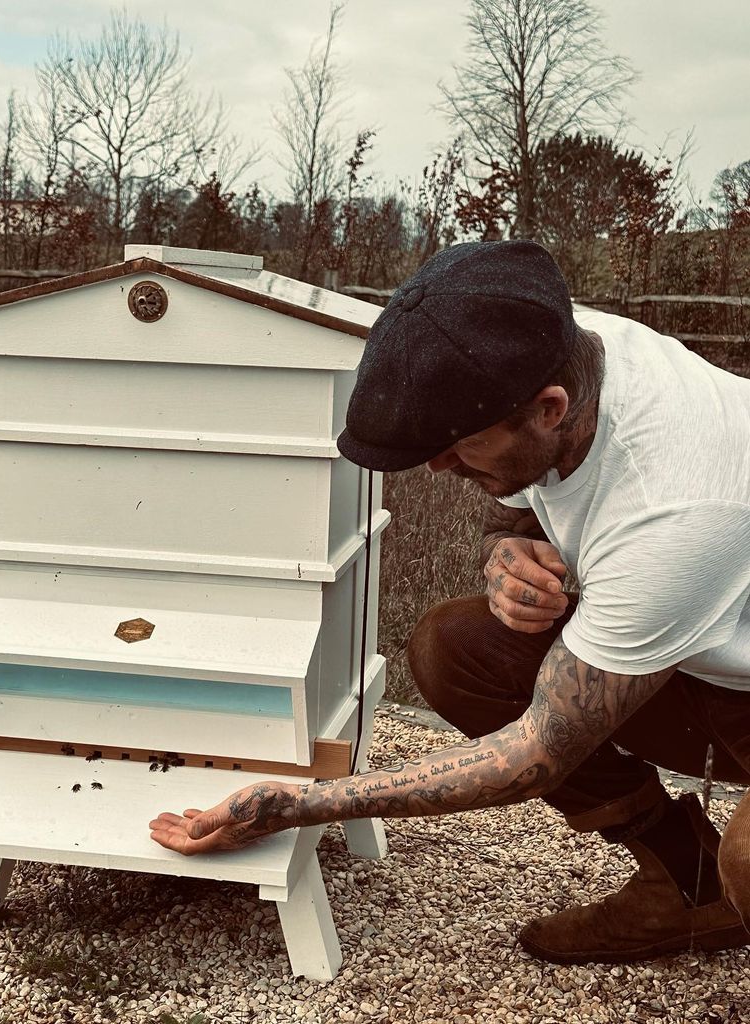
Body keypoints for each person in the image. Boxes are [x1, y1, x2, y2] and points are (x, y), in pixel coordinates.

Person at [149, 240, 750, 964]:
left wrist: (298, 803)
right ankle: (685, 885)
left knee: (747, 861)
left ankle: (728, 885)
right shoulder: (547, 345)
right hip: (708, 652)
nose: (437, 466)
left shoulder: (674, 509)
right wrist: (504, 546)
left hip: (717, 652)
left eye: (458, 444)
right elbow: (531, 490)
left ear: (548, 409)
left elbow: (535, 754)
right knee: (456, 647)